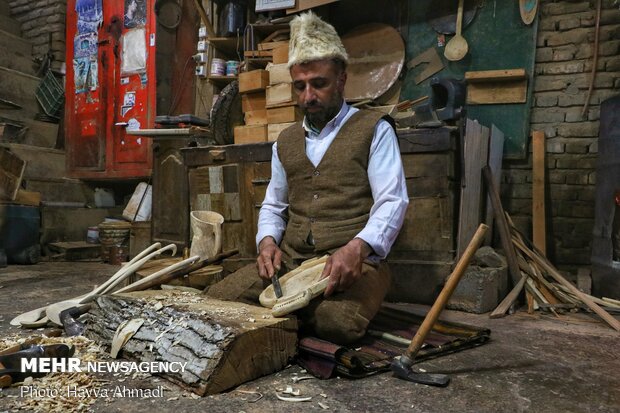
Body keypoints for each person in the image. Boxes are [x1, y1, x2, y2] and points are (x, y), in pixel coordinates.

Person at [207, 12, 408, 345]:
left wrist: (357, 249)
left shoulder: (374, 129)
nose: (307, 97)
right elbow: (274, 203)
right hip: (292, 262)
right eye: (299, 86)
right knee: (217, 300)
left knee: (337, 324)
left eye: (319, 84)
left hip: (355, 263)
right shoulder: (286, 141)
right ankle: (288, 312)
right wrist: (267, 243)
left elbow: (393, 201)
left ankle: (281, 315)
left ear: (342, 79)